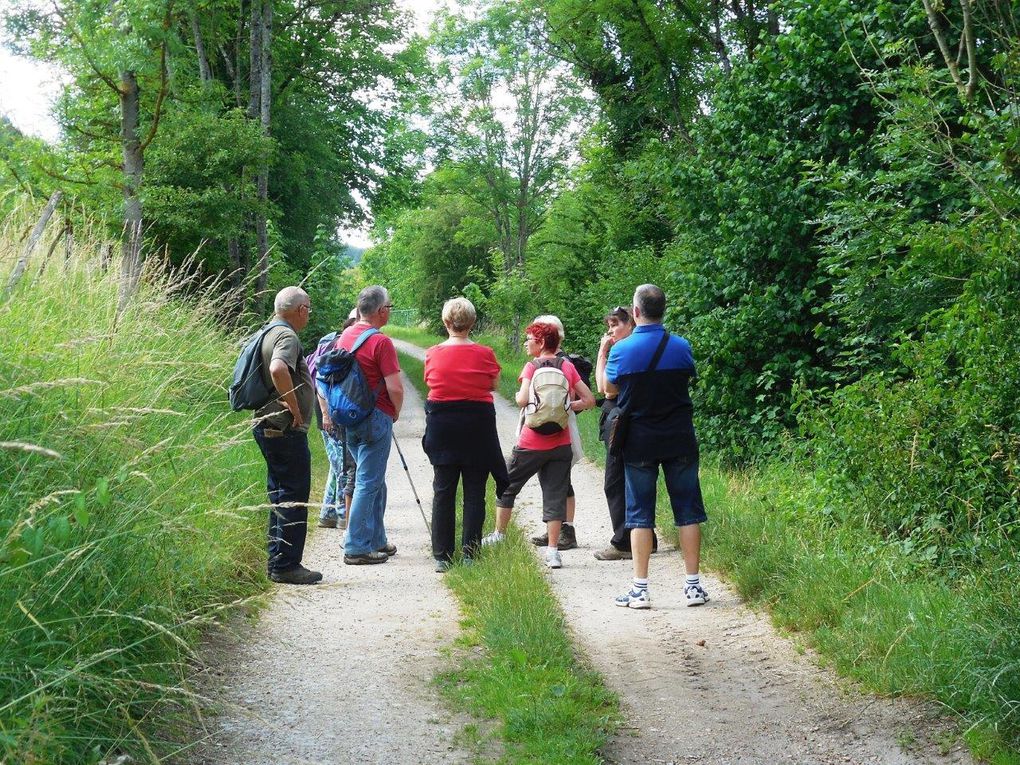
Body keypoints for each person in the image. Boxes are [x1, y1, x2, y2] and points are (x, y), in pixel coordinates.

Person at [604, 284, 709, 608]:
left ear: (635, 313)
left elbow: (609, 388)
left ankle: (640, 590)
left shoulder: (623, 349)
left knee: (639, 513)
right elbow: (686, 378)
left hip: (639, 441)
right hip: (679, 437)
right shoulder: (682, 347)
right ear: (663, 310)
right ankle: (693, 586)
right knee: (688, 510)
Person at [481, 321, 595, 568]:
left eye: (530, 339)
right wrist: (567, 407)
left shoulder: (532, 367)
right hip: (560, 443)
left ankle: (499, 534)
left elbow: (522, 400)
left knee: (508, 485)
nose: (526, 343)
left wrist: (521, 398)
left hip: (531, 442)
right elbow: (588, 400)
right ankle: (553, 551)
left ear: (541, 342)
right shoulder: (567, 365)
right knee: (555, 495)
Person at [423, 298, 509, 572]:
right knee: (475, 491)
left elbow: (430, 382)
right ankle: (470, 552)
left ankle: (442, 556)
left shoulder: (433, 353)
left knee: (443, 490)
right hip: (477, 426)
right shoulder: (485, 353)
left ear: (446, 322)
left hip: (443, 425)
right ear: (472, 323)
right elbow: (493, 384)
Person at [321, 286, 403, 565]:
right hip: (375, 417)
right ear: (381, 311)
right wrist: (395, 412)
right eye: (389, 307)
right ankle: (356, 546)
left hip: (348, 417)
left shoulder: (346, 336)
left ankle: (377, 539)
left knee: (374, 480)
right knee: (369, 481)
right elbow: (395, 387)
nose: (389, 311)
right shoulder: (381, 342)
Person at [252, 286, 322, 585]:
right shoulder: (286, 336)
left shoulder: (266, 331)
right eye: (309, 307)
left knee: (279, 493)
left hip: (267, 424)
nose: (309, 313)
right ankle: (287, 565)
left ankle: (277, 560)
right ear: (301, 310)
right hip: (283, 428)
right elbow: (278, 367)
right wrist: (294, 408)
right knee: (293, 495)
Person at [593, 306, 658, 561]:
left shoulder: (624, 350)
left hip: (624, 425)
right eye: (609, 326)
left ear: (631, 323)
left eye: (615, 325)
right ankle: (647, 539)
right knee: (634, 481)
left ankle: (623, 543)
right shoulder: (636, 348)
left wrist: (602, 352)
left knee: (615, 482)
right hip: (635, 421)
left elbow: (605, 389)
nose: (610, 331)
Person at [528, 315, 580, 551]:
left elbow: (580, 398)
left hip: (560, 428)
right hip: (551, 427)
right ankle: (555, 530)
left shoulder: (561, 363)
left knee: (561, 481)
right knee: (551, 481)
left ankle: (566, 531)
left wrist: (561, 405)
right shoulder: (549, 361)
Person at [316, 309, 359, 530]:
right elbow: (320, 383)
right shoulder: (338, 347)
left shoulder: (344, 344)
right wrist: (326, 415)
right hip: (329, 416)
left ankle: (327, 514)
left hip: (333, 415)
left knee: (337, 464)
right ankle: (344, 516)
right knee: (344, 465)